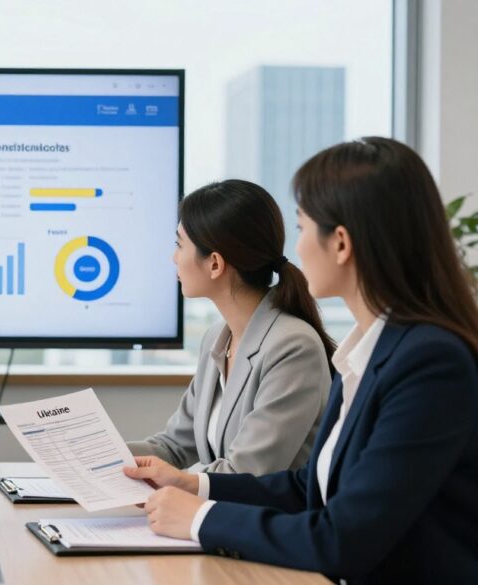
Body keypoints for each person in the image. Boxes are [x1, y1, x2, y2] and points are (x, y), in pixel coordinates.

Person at [127, 137, 478, 584]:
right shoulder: (369, 353)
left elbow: (343, 540)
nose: (296, 247)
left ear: (341, 243)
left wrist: (199, 518)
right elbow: (308, 487)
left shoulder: (429, 364)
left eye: (302, 227)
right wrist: (194, 485)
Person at [127, 179, 333, 475]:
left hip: (258, 506)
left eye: (179, 245)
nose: (174, 257)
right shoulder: (217, 338)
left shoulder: (293, 347)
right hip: (219, 503)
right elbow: (175, 446)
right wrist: (96, 454)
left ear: (214, 264)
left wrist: (178, 483)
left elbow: (247, 472)